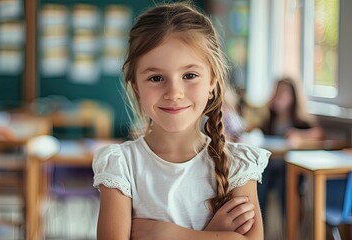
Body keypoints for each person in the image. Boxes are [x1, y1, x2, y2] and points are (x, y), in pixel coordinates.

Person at [92, 3, 270, 240]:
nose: (174, 92)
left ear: (212, 82)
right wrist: (216, 235)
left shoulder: (238, 164)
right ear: (136, 86)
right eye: (156, 78)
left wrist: (167, 233)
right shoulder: (120, 166)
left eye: (189, 75)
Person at [256, 77, 323, 225]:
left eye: (283, 93)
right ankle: (260, 229)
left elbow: (318, 133)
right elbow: (255, 129)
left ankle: (289, 228)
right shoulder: (270, 118)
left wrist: (299, 136)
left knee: (283, 183)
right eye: (277, 92)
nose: (278, 97)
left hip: (288, 169)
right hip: (269, 167)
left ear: (293, 97)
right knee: (258, 178)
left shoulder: (299, 120)